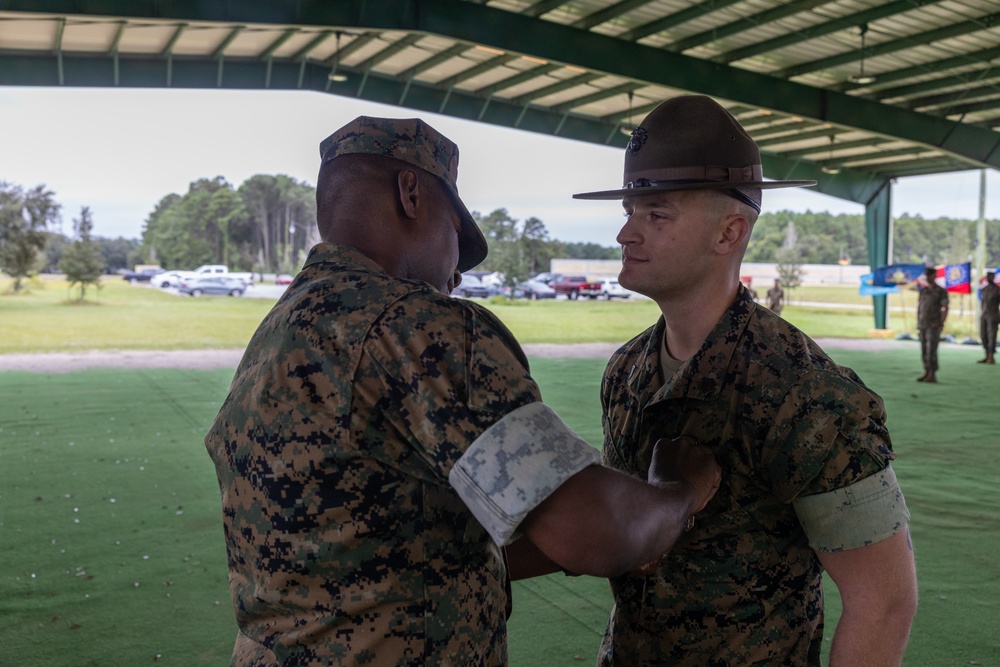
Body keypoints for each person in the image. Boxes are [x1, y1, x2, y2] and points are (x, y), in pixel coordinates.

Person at [204, 115, 722, 666]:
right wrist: (679, 490)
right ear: (411, 194)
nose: (456, 275)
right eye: (456, 238)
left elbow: (391, 541)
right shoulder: (417, 328)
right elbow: (597, 530)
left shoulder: (286, 327)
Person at [573, 95, 917, 666]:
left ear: (729, 233)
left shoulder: (805, 394)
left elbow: (882, 601)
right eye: (630, 211)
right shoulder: (627, 371)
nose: (625, 235)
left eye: (655, 215)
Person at [917, 265, 949, 382]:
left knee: (932, 350)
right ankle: (926, 372)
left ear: (935, 276)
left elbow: (945, 308)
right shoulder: (923, 291)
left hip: (934, 325)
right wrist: (918, 322)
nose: (928, 277)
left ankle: (932, 373)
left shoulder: (941, 291)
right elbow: (920, 308)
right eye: (927, 275)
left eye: (930, 275)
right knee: (924, 349)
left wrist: (941, 323)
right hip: (923, 325)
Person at [979, 270, 999, 364]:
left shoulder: (998, 290)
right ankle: (986, 355)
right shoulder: (984, 289)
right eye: (987, 276)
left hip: (993, 315)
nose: (988, 278)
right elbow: (982, 302)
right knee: (983, 335)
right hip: (984, 315)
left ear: (993, 278)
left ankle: (991, 357)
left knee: (991, 336)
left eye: (990, 276)